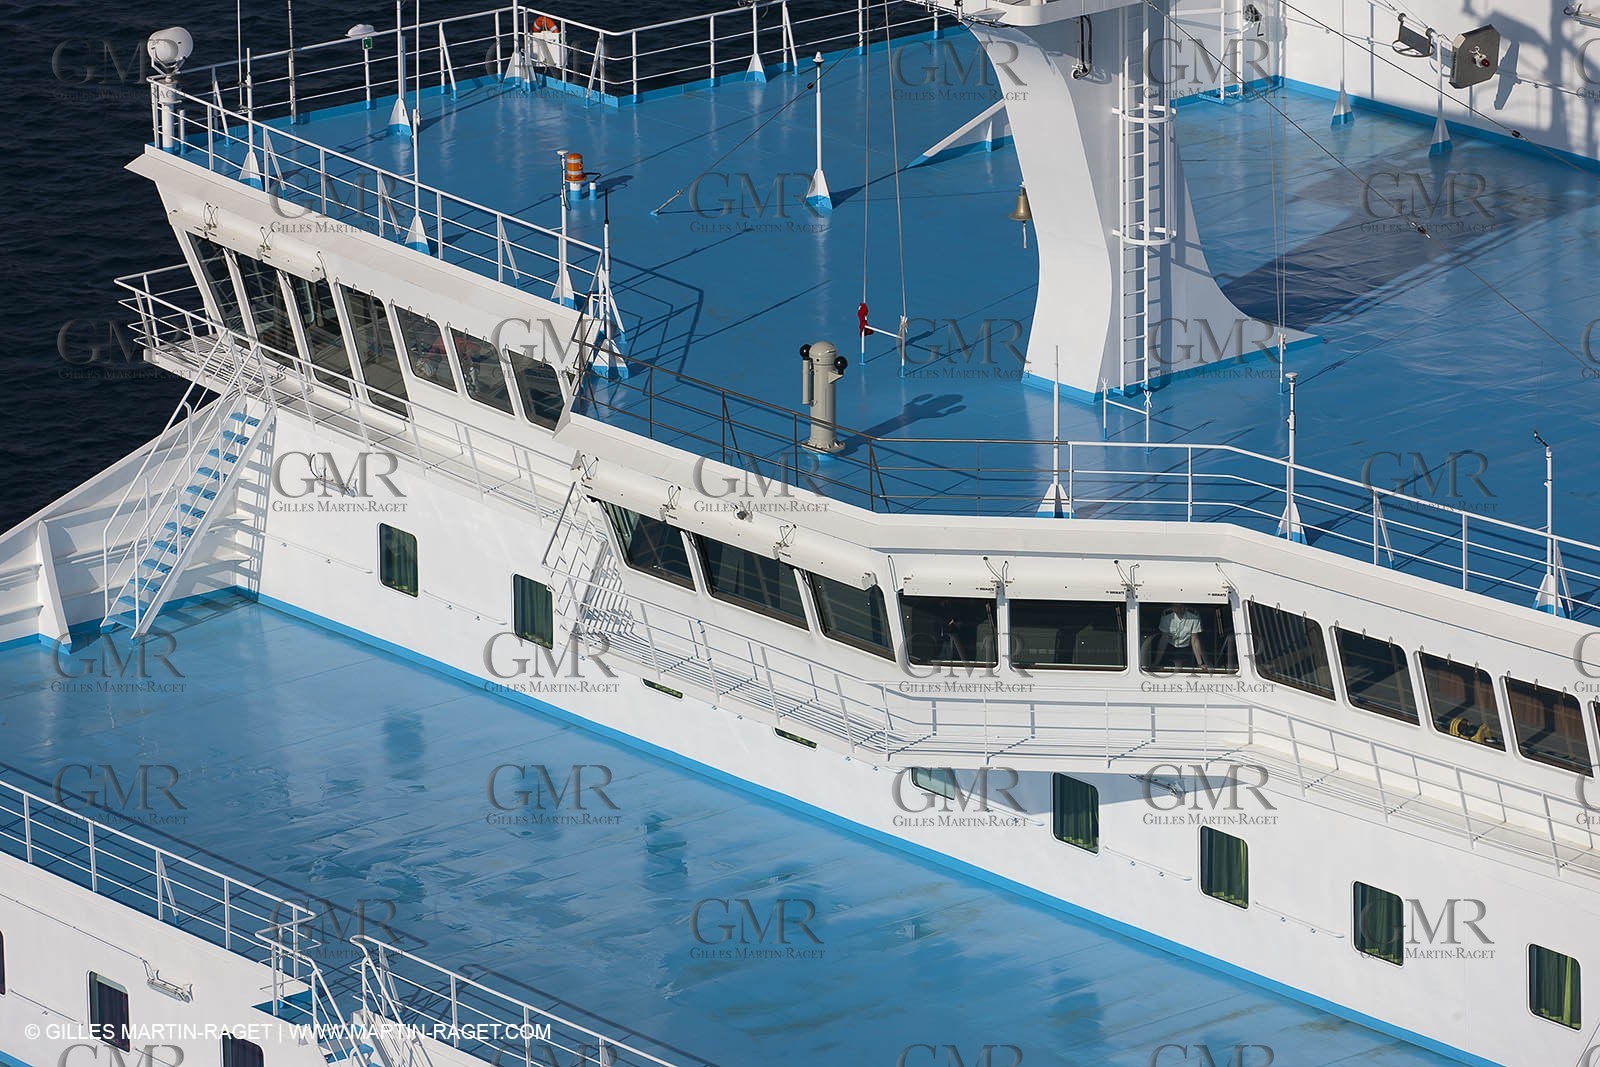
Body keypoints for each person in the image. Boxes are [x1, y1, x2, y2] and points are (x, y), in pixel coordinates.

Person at [1158, 603, 1207, 669]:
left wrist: (1200, 663)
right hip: (1170, 647)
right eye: (1175, 606)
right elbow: (1164, 639)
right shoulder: (1167, 615)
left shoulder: (1193, 615)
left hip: (1187, 648)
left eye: (1181, 606)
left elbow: (1194, 639)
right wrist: (1157, 661)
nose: (1178, 609)